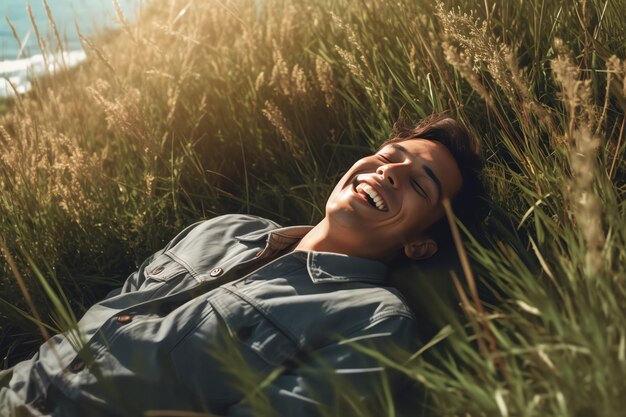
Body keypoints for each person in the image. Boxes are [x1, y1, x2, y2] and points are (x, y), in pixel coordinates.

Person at [0, 113, 482, 417]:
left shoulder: (372, 320)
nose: (389, 172)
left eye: (421, 185)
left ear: (421, 244)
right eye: (387, 156)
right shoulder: (223, 229)